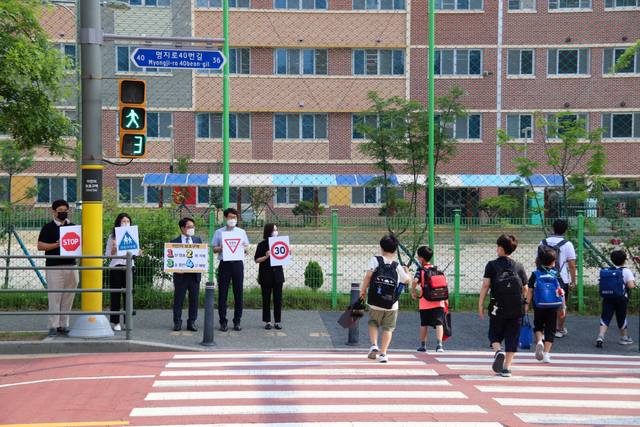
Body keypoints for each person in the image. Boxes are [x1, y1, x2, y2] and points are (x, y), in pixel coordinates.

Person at [478, 234, 529, 377]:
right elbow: (525, 289)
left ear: (500, 248)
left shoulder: (492, 265)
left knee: (494, 333)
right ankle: (507, 368)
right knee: (513, 336)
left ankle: (498, 351)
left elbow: (486, 285)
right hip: (516, 308)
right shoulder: (519, 267)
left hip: (497, 306)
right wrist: (520, 301)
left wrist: (481, 303)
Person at [359, 234, 410, 363]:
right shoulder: (397, 266)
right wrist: (407, 270)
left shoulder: (375, 260)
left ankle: (374, 344)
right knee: (388, 328)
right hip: (391, 304)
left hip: (375, 302)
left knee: (373, 323)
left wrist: (363, 290)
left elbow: (369, 275)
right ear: (395, 251)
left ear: (381, 248)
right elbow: (407, 280)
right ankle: (383, 353)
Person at [37, 199, 79, 337]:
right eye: (60, 211)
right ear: (53, 212)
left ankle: (63, 324)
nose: (63, 213)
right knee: (54, 297)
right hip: (54, 266)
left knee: (68, 297)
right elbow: (40, 246)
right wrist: (56, 245)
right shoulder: (48, 228)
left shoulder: (73, 227)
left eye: (65, 210)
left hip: (71, 265)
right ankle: (53, 326)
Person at [536, 219, 576, 338]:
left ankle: (543, 330)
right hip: (561, 279)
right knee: (561, 304)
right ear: (565, 231)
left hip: (543, 278)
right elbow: (572, 265)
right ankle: (559, 329)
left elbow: (537, 261)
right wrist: (573, 281)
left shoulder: (542, 242)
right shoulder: (567, 244)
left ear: (552, 229)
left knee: (543, 302)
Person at [212, 208, 250, 331]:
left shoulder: (241, 232)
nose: (232, 219)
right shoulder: (219, 232)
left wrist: (243, 247)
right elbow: (214, 249)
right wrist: (221, 247)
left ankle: (237, 321)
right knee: (223, 293)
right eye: (230, 217)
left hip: (238, 264)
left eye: (234, 217)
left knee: (238, 293)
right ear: (225, 218)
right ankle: (223, 321)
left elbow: (246, 250)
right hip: (225, 264)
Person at [526, 247, 565, 363]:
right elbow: (561, 291)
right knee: (551, 328)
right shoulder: (557, 274)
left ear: (538, 261)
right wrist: (563, 307)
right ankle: (546, 354)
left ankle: (539, 342)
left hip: (539, 304)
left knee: (538, 324)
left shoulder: (535, 274)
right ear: (554, 262)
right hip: (554, 305)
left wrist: (527, 304)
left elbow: (531, 291)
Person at [596, 250, 635, 347]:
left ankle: (601, 336)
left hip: (608, 297)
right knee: (621, 317)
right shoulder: (626, 271)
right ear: (625, 260)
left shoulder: (609, 270)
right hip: (621, 298)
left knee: (605, 316)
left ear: (612, 260)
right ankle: (624, 338)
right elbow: (630, 286)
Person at [410, 246, 446, 353]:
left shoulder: (421, 270)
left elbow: (415, 281)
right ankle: (439, 345)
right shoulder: (437, 269)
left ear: (421, 260)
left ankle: (423, 345)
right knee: (439, 323)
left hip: (425, 302)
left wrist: (413, 292)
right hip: (439, 301)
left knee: (424, 324)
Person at [105, 213, 137, 331]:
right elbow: (107, 255)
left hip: (129, 267)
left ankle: (128, 321)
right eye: (123, 221)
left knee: (128, 295)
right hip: (116, 268)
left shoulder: (133, 235)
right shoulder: (112, 237)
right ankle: (116, 322)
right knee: (115, 295)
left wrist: (138, 252)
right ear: (118, 223)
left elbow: (135, 253)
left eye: (127, 221)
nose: (125, 223)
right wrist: (114, 248)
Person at [170, 217, 202, 332]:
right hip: (181, 275)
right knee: (179, 299)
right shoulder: (174, 242)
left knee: (194, 300)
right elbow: (170, 260)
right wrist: (175, 269)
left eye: (193, 227)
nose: (191, 229)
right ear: (182, 228)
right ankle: (177, 322)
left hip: (194, 275)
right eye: (189, 227)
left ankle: (192, 322)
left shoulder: (198, 240)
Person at [254, 223, 285, 330]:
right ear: (268, 232)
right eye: (273, 230)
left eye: (276, 229)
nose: (275, 232)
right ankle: (267, 321)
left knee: (278, 299)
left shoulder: (280, 243)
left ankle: (277, 321)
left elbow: (283, 256)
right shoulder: (262, 245)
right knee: (266, 299)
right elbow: (256, 260)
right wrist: (265, 256)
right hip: (266, 275)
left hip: (277, 275)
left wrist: (287, 254)